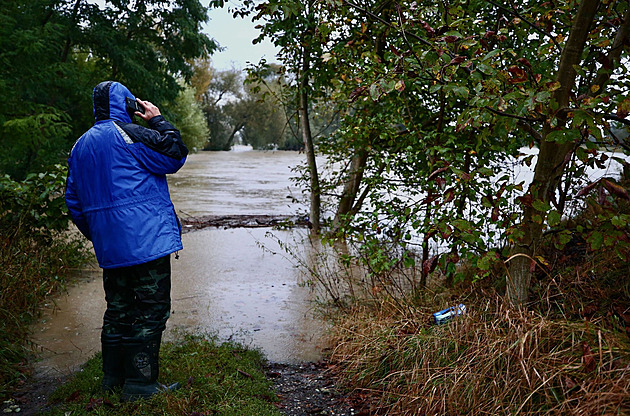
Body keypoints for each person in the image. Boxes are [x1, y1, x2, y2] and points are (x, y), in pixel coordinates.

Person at [65, 81, 188, 401]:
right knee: (150, 310)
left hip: (111, 247)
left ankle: (112, 379)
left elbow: (74, 202)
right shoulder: (133, 134)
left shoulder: (80, 146)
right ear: (128, 104)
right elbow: (175, 155)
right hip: (147, 242)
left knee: (117, 310)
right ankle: (141, 385)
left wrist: (101, 234)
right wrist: (157, 119)